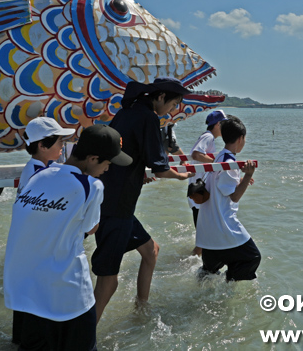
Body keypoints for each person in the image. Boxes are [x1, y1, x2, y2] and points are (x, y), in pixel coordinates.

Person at [3, 125, 131, 351]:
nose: (108, 169)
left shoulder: (38, 174)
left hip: (26, 292)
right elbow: (92, 228)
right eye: (107, 163)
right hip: (68, 296)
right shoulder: (91, 185)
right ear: (93, 158)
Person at [92, 78, 196, 323]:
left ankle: (142, 308)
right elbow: (160, 168)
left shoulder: (126, 111)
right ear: (160, 97)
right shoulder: (149, 117)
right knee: (108, 281)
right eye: (172, 105)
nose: (170, 111)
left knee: (151, 251)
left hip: (110, 199)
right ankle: (84, 338)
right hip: (117, 207)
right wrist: (182, 176)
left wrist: (138, 175)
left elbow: (121, 155)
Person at [9, 116, 75, 345]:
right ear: (42, 145)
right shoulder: (40, 175)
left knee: (27, 305)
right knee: (36, 307)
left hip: (27, 248)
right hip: (36, 250)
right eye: (58, 142)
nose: (62, 146)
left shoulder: (36, 168)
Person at [195, 116, 261, 281]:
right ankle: (230, 283)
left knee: (208, 274)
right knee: (252, 257)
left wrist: (239, 180)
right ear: (240, 139)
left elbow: (220, 185)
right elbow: (235, 196)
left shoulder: (220, 157)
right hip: (222, 227)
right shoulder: (230, 162)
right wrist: (247, 176)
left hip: (207, 231)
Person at [187, 110, 227, 256]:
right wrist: (216, 164)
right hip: (199, 193)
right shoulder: (208, 137)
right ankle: (187, 265)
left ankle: (196, 262)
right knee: (202, 243)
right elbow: (196, 153)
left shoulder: (208, 137)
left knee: (204, 238)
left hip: (198, 192)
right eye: (223, 124)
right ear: (217, 124)